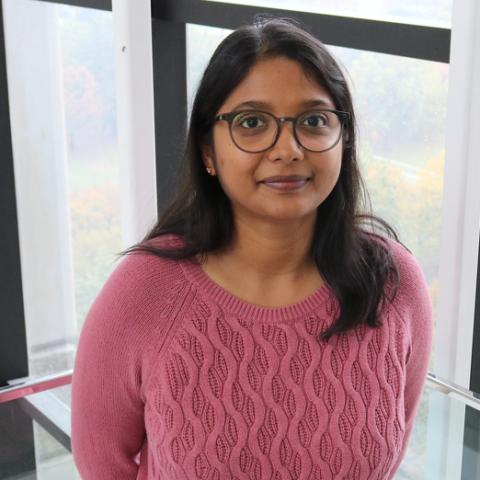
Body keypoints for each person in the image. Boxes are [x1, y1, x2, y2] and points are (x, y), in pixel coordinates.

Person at [71, 17, 433, 480]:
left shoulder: (394, 284)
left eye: (314, 121)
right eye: (252, 122)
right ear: (207, 150)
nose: (288, 149)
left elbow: (388, 452)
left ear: (344, 140)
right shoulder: (143, 292)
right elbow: (102, 467)